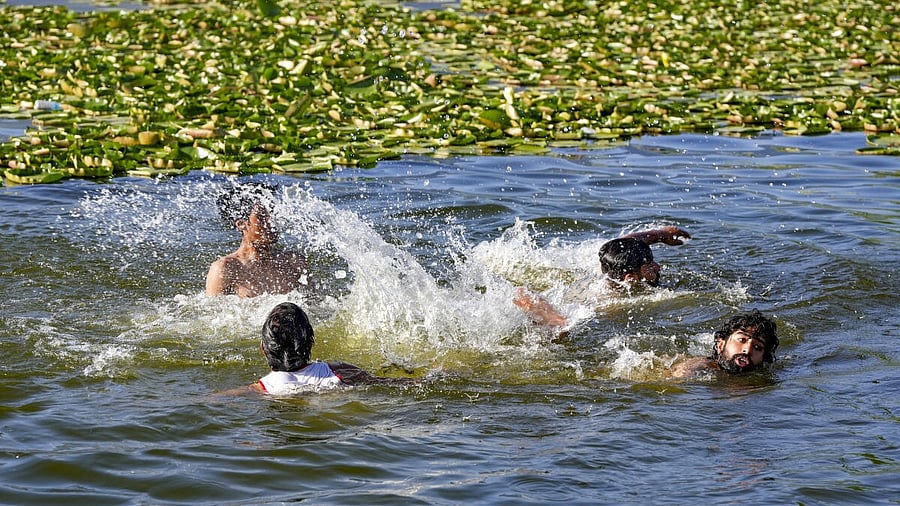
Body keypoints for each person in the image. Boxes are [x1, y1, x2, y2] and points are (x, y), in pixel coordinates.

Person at [513, 226, 691, 328]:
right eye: (649, 265)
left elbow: (627, 240)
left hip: (582, 288)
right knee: (562, 325)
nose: (657, 267)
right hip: (577, 306)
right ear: (629, 279)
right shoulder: (611, 304)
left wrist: (661, 235)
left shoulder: (608, 262)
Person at [236, 302, 417, 395]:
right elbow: (386, 383)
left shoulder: (260, 389)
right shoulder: (339, 371)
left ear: (263, 348)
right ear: (311, 343)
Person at [206, 182, 310, 297]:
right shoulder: (225, 268)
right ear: (241, 224)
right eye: (262, 216)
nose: (271, 221)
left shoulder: (294, 263)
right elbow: (210, 311)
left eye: (273, 212)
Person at [669, 309, 779, 378]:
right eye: (742, 340)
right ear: (721, 344)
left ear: (763, 358)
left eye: (757, 347)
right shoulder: (704, 366)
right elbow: (679, 375)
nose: (747, 350)